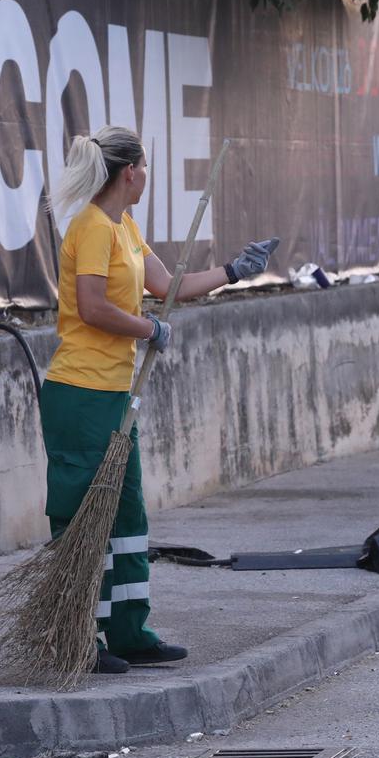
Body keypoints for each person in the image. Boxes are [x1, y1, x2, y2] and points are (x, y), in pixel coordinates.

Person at [45, 126, 278, 674]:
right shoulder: (93, 228)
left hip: (114, 393)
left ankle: (128, 630)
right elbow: (93, 307)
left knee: (125, 515)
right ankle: (77, 635)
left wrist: (232, 272)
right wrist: (148, 330)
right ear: (131, 172)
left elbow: (167, 285)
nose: (148, 176)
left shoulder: (123, 225)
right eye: (145, 167)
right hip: (80, 392)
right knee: (83, 516)